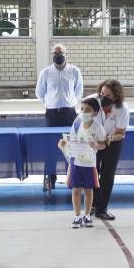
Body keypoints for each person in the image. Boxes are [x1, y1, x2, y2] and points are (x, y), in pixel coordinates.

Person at [35, 43, 84, 190]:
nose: (58, 55)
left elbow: (79, 90)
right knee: (51, 147)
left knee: (71, 145)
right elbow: (40, 93)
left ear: (66, 54)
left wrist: (70, 102)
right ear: (52, 55)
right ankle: (50, 180)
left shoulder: (74, 71)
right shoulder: (45, 72)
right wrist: (50, 103)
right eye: (55, 53)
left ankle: (72, 178)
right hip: (52, 114)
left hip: (69, 113)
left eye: (61, 52)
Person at [59, 98, 106, 228]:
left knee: (88, 191)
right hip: (75, 162)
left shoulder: (98, 128)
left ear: (95, 112)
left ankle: (87, 216)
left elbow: (103, 145)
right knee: (76, 190)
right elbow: (71, 140)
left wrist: (95, 145)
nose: (84, 112)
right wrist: (64, 144)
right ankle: (77, 216)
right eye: (82, 109)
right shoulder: (76, 124)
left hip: (89, 164)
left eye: (88, 110)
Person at [91, 79, 130, 221]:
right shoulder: (92, 101)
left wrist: (108, 139)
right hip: (93, 142)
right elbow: (82, 121)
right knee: (93, 172)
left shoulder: (122, 109)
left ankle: (101, 209)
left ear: (116, 97)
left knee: (107, 175)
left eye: (108, 96)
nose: (103, 98)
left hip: (112, 142)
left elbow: (121, 133)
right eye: (102, 93)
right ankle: (92, 205)